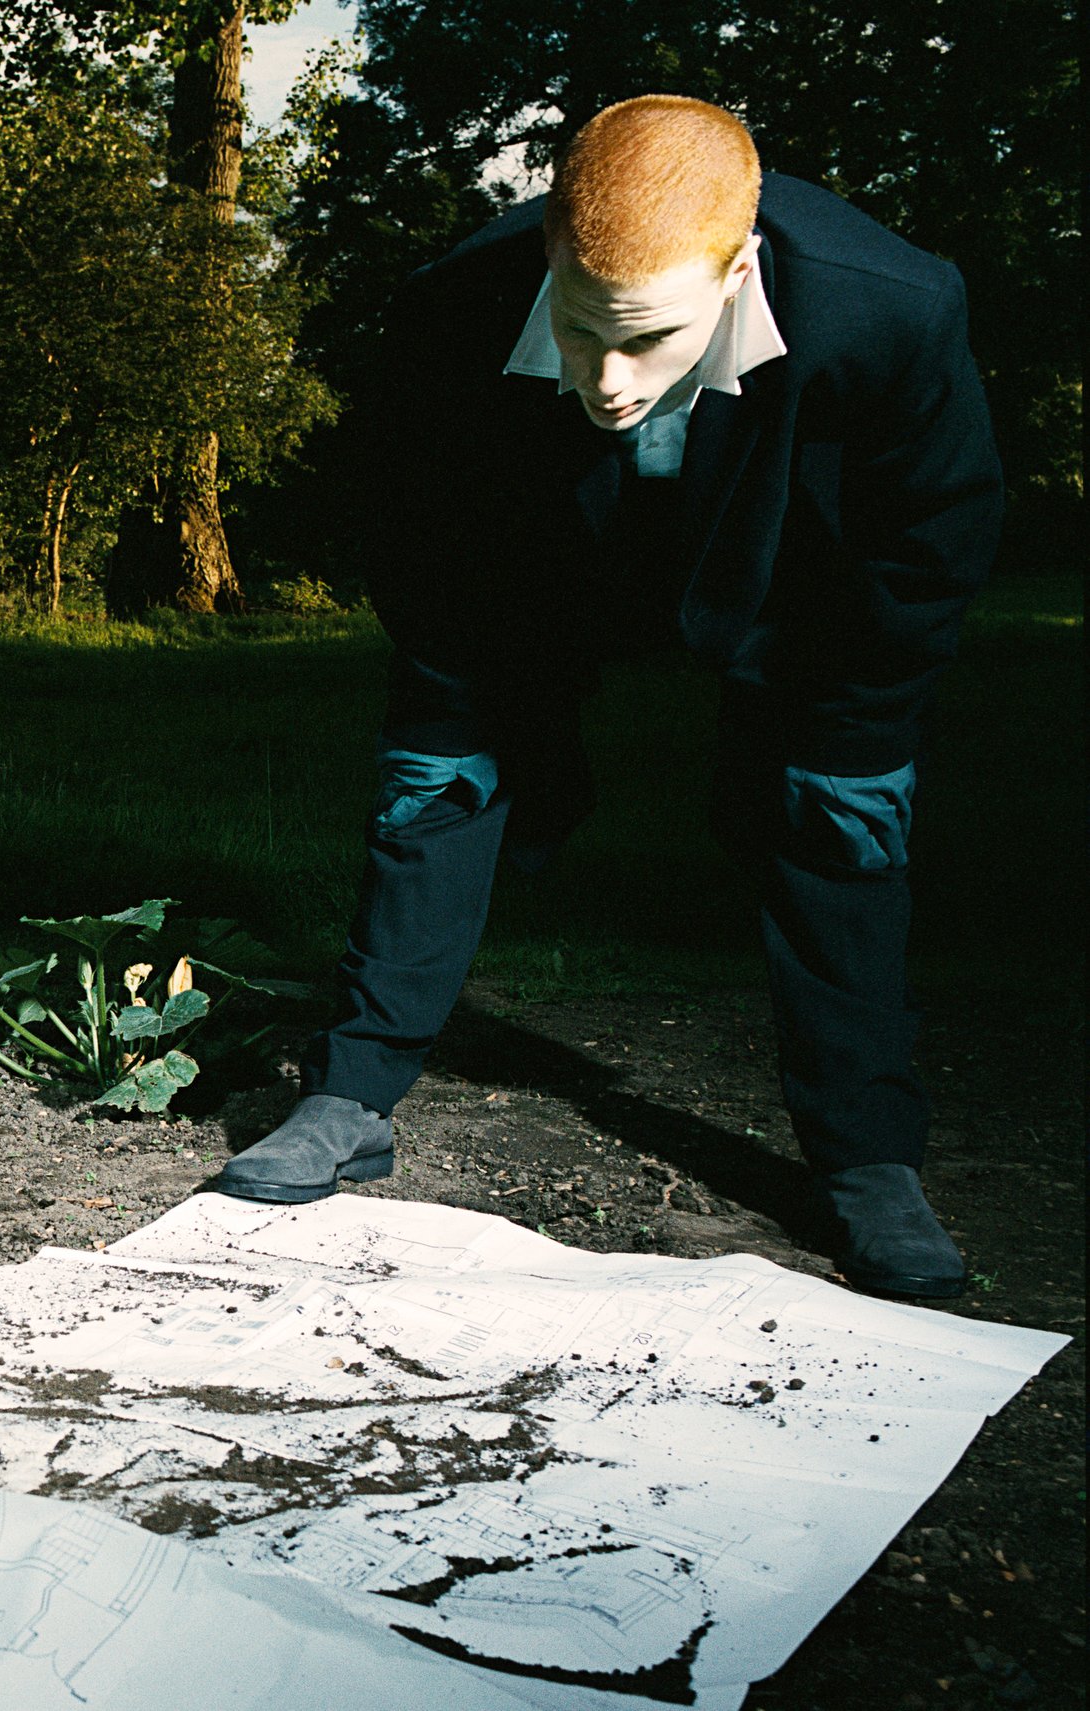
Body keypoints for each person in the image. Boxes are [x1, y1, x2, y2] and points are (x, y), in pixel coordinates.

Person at [218, 96, 1000, 1301]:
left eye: (648, 339)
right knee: (435, 773)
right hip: (539, 560)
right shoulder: (447, 310)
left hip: (794, 571)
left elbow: (927, 543)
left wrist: (841, 721)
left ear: (736, 269)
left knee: (841, 808)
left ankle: (868, 1156)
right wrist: (479, 703)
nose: (611, 381)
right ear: (546, 254)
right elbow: (417, 537)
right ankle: (351, 1091)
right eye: (583, 332)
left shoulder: (891, 309)